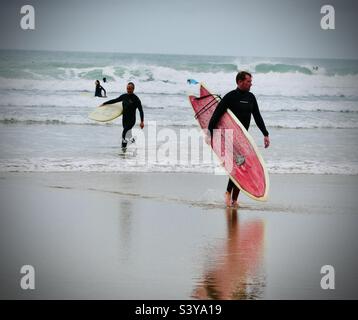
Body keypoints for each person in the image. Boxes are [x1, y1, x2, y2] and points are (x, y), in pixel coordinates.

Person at [208, 71, 270, 208]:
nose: (251, 83)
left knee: (241, 167)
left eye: (250, 81)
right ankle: (228, 194)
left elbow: (257, 116)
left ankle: (234, 198)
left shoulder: (251, 97)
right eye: (248, 81)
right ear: (240, 81)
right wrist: (210, 133)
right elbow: (217, 114)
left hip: (243, 139)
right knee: (238, 166)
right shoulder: (230, 97)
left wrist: (265, 134)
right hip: (230, 138)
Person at [100, 82, 144, 150]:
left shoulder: (136, 99)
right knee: (128, 134)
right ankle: (135, 144)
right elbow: (115, 100)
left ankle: (123, 149)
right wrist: (105, 103)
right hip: (124, 119)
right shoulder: (124, 96)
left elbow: (140, 110)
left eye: (130, 89)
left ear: (133, 89)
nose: (128, 90)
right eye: (127, 88)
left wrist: (142, 121)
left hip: (131, 120)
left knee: (124, 133)